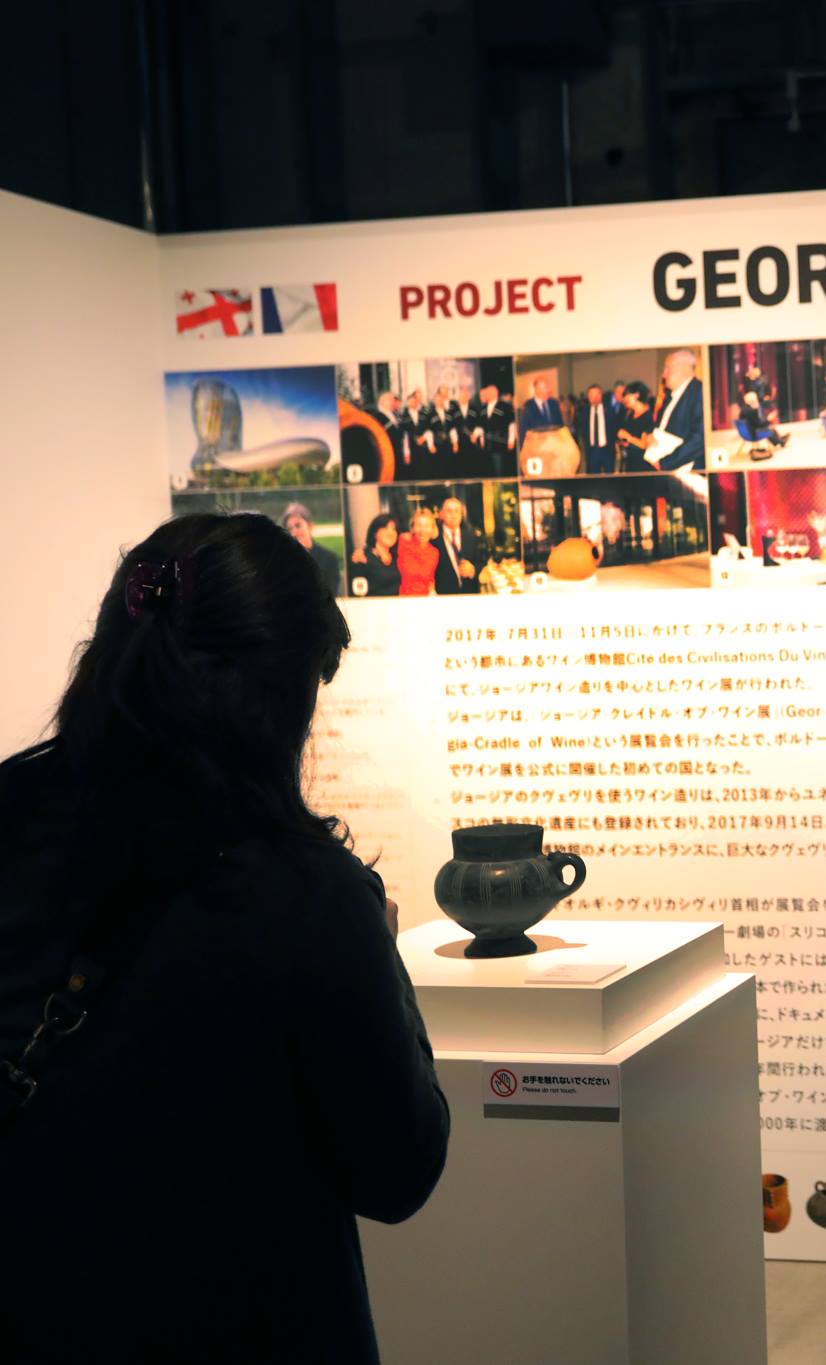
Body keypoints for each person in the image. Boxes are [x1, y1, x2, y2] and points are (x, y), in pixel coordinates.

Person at [0, 513, 448, 1361]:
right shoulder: (304, 895)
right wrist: (379, 959)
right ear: (286, 703)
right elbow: (399, 1168)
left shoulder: (13, 821)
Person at [650, 349, 706, 470]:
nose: (663, 375)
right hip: (665, 468)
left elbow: (699, 439)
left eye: (667, 369)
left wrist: (665, 463)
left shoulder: (700, 392)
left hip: (686, 471)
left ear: (682, 368)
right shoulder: (669, 397)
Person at [282, 501, 340, 594]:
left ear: (310, 526)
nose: (294, 533)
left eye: (298, 526)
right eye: (290, 529)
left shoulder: (329, 559)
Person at [433, 496, 485, 595]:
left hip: (470, 595)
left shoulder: (472, 536)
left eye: (457, 511)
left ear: (462, 514)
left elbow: (482, 562)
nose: (453, 515)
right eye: (449, 511)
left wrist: (473, 570)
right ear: (441, 514)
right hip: (444, 597)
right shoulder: (434, 539)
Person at [735, 363, 789, 449]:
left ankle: (780, 440)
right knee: (769, 428)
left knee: (770, 428)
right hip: (753, 433)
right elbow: (760, 424)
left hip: (749, 431)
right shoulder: (752, 411)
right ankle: (780, 441)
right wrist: (769, 419)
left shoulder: (743, 410)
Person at [350, 512, 401, 597]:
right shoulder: (362, 557)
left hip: (396, 604)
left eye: (394, 529)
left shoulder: (397, 556)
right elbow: (357, 591)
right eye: (385, 528)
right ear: (375, 533)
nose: (391, 533)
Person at [396, 506, 440, 596]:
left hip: (424, 599)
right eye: (419, 525)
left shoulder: (434, 552)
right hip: (403, 598)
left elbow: (431, 581)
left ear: (432, 529)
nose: (422, 530)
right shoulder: (403, 542)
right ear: (412, 528)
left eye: (427, 526)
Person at [474, 383, 515, 478]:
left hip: (500, 443)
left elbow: (511, 425)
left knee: (499, 469)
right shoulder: (483, 408)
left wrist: (511, 440)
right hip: (487, 445)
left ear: (494, 393)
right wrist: (476, 435)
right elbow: (480, 426)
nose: (486, 394)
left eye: (488, 392)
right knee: (489, 470)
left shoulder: (504, 406)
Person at [616, 381, 656, 473]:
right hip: (630, 460)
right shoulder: (630, 414)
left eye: (627, 396)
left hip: (642, 463)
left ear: (636, 395)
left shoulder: (647, 417)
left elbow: (644, 444)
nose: (624, 400)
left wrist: (627, 437)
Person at [578, 383, 615, 475]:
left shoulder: (609, 410)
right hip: (592, 450)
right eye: (591, 395)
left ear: (601, 395)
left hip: (607, 449)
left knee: (609, 475)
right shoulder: (584, 411)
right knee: (593, 477)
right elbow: (583, 430)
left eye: (596, 394)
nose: (593, 397)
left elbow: (614, 428)